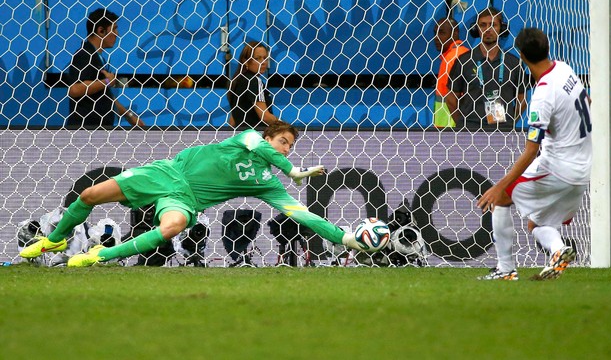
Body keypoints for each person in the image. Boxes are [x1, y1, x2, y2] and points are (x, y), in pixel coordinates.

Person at [19, 121, 372, 266]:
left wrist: (346, 238)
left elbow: (303, 215)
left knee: (172, 226)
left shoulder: (270, 184)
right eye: (282, 142)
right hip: (166, 174)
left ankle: (96, 257)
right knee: (89, 195)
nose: (286, 149)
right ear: (268, 139)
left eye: (291, 147)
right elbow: (257, 145)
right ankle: (56, 240)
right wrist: (292, 170)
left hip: (185, 200)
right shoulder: (247, 139)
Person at [477, 27, 591, 281]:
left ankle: (505, 270)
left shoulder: (542, 95)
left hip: (557, 168)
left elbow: (531, 150)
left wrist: (500, 187)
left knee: (501, 200)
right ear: (547, 47)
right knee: (536, 224)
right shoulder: (565, 69)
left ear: (521, 56)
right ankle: (559, 250)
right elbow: (588, 102)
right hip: (582, 170)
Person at [445, 7, 526, 130]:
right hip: (470, 130)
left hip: (503, 131)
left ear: (501, 29)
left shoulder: (514, 63)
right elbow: (451, 99)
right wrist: (464, 124)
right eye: (483, 25)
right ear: (476, 29)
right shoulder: (464, 61)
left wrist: (508, 122)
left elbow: (522, 101)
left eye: (493, 25)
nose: (488, 29)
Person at [66, 8, 144, 128]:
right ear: (101, 31)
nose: (117, 34)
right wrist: (107, 81)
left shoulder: (98, 58)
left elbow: (105, 95)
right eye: (114, 29)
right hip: (86, 131)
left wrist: (129, 116)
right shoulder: (84, 55)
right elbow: (75, 89)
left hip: (98, 130)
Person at [227, 41, 280, 130]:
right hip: (256, 136)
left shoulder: (237, 81)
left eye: (265, 58)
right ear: (246, 62)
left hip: (240, 136)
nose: (263, 62)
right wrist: (284, 126)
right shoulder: (255, 81)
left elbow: (232, 121)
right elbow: (265, 116)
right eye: (257, 58)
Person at [433, 17, 469, 128]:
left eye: (442, 33)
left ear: (455, 33)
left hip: (450, 129)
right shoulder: (463, 53)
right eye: (435, 33)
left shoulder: (453, 58)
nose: (437, 38)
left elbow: (457, 97)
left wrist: (460, 125)